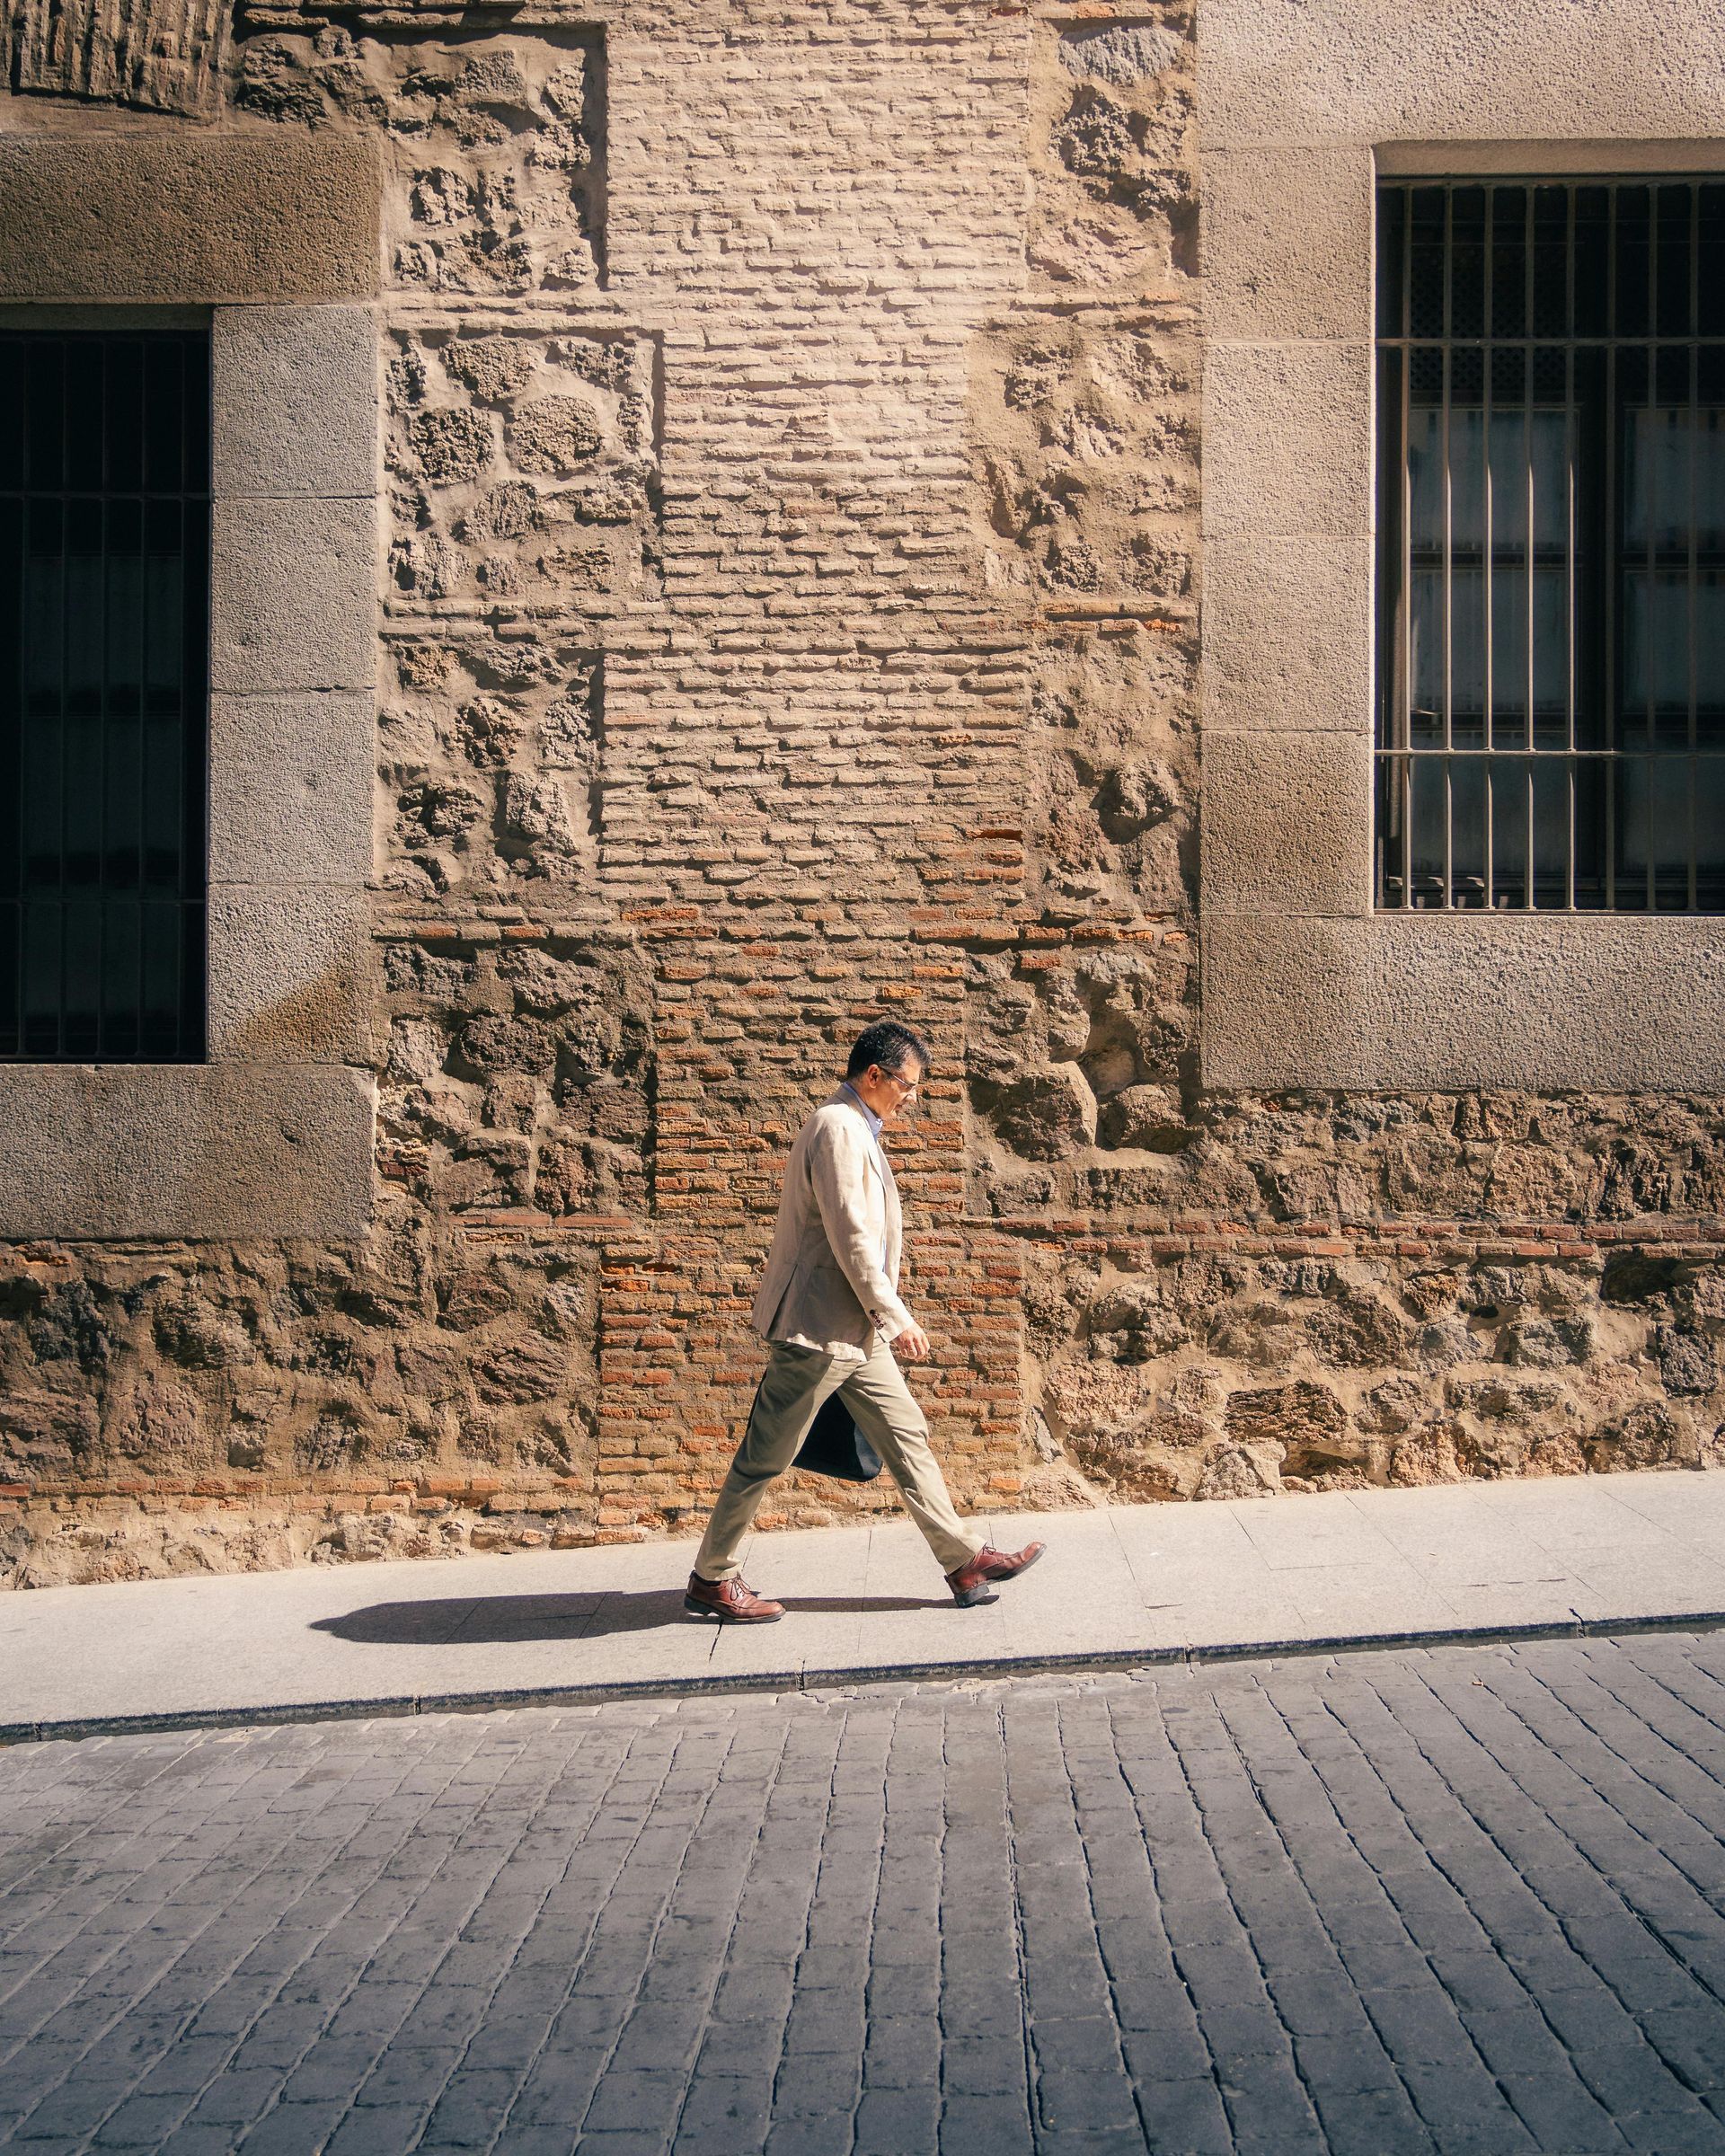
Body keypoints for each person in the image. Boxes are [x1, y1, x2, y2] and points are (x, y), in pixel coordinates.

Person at [685, 1020, 1045, 1621]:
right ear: (873, 1075)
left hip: (852, 1328)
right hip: (820, 1328)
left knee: (906, 1435)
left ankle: (964, 1560)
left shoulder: (857, 1127)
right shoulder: (838, 1128)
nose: (910, 1098)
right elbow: (852, 1237)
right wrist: (894, 1314)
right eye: (906, 1085)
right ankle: (711, 1578)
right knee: (764, 1457)